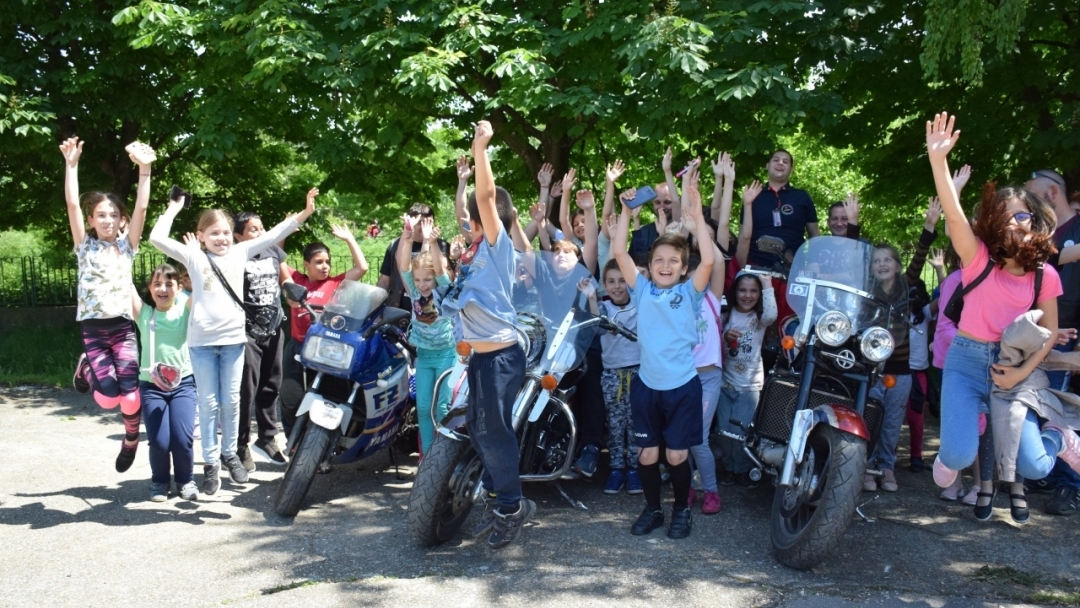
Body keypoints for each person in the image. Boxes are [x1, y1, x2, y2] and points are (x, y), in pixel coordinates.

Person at [926, 112, 1078, 524]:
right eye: (1006, 215)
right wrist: (938, 162)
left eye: (1023, 215)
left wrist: (1020, 374)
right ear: (993, 223)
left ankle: (1059, 435)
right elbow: (955, 217)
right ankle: (953, 460)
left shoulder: (1044, 275)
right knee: (956, 454)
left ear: (1035, 223)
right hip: (966, 362)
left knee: (1036, 467)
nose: (1015, 221)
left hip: (1017, 370)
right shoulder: (977, 261)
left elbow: (1047, 334)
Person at [150, 189, 314, 495]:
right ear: (201, 236)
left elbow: (278, 232)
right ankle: (211, 463)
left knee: (232, 401)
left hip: (233, 341)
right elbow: (157, 237)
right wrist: (173, 208)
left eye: (226, 232)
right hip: (201, 344)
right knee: (209, 404)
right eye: (214, 233)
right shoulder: (194, 257)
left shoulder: (240, 253)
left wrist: (304, 213)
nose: (222, 238)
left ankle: (230, 454)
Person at [439, 120, 533, 549]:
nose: (465, 220)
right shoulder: (473, 252)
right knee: (478, 429)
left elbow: (485, 196)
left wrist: (481, 150)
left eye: (472, 217)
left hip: (500, 357)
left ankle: (512, 506)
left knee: (494, 432)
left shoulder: (497, 247)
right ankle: (499, 491)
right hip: (479, 358)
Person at [611, 162, 715, 539]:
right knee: (648, 455)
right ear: (650, 266)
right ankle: (653, 510)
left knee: (676, 456)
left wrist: (697, 214)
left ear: (683, 269)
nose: (666, 265)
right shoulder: (641, 290)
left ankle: (681, 511)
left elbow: (709, 259)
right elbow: (620, 252)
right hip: (647, 387)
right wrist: (626, 211)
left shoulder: (690, 292)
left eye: (673, 261)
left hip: (683, 387)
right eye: (659, 260)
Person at [61, 136, 153, 472]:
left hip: (122, 327)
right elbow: (72, 205)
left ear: (122, 220)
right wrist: (72, 166)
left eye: (114, 215)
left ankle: (131, 440)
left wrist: (145, 170)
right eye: (101, 215)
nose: (108, 219)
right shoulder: (84, 246)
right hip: (93, 330)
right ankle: (86, 365)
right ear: (91, 219)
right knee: (106, 397)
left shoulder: (128, 246)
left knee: (130, 395)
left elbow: (142, 208)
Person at [279, 221, 370, 439]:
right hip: (298, 347)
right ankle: (292, 442)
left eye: (327, 262)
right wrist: (285, 230)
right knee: (290, 397)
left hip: (326, 350)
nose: (325, 266)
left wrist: (349, 239)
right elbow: (278, 260)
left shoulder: (336, 283)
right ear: (306, 264)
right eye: (318, 262)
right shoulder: (297, 281)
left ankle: (322, 442)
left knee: (327, 398)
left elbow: (363, 268)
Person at [1024, 168, 1080, 516]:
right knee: (1038, 406)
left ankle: (1069, 486)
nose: (1027, 205)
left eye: (1032, 196)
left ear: (1052, 194)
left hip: (1069, 337)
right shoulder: (1042, 235)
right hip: (1036, 335)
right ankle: (1043, 472)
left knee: (1062, 409)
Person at [132, 264, 197, 502]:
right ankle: (159, 482)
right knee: (159, 441)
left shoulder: (184, 311)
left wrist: (194, 257)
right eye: (157, 284)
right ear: (149, 288)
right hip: (151, 387)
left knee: (182, 438)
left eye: (169, 284)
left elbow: (202, 281)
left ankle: (186, 480)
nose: (163, 289)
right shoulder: (144, 314)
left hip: (183, 385)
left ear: (180, 288)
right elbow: (122, 283)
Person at [232, 211, 291, 470]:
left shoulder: (274, 252)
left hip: (274, 328)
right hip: (246, 332)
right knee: (247, 388)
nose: (261, 232)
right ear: (238, 236)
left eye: (262, 226)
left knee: (271, 385)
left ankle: (267, 438)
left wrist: (297, 295)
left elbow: (285, 279)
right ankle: (239, 445)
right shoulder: (235, 257)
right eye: (253, 229)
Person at [394, 215, 455, 455]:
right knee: (422, 408)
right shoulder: (414, 287)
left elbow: (439, 268)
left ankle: (444, 456)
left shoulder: (442, 287)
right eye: (418, 280)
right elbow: (403, 267)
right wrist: (408, 239)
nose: (422, 284)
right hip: (425, 355)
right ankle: (428, 456)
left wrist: (432, 242)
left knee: (442, 408)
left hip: (446, 354)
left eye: (426, 279)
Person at [584, 258, 641, 495]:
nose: (617, 287)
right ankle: (617, 468)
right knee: (616, 425)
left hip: (638, 373)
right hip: (612, 375)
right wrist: (590, 297)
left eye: (622, 281)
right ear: (604, 285)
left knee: (636, 424)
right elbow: (597, 326)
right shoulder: (604, 308)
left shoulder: (640, 304)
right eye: (611, 282)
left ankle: (636, 469)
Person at [717, 272, 778, 486]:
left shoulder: (760, 318)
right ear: (734, 291)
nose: (747, 295)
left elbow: (772, 314)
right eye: (742, 290)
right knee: (724, 430)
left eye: (753, 291)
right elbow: (714, 339)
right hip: (725, 382)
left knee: (740, 431)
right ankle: (727, 466)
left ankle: (741, 469)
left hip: (749, 384)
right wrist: (725, 337)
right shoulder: (726, 313)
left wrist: (767, 284)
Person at [743, 149, 819, 268]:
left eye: (785, 161)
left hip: (793, 269)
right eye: (776, 160)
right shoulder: (753, 196)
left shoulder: (802, 197)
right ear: (767, 166)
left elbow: (814, 237)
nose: (780, 163)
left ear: (791, 170)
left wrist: (814, 265)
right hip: (755, 268)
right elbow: (743, 235)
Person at [377, 203, 451, 312]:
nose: (425, 227)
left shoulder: (441, 246)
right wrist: (376, 310)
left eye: (429, 222)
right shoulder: (395, 245)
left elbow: (445, 275)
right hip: (398, 310)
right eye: (420, 222)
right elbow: (384, 281)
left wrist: (430, 242)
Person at [628, 148, 681, 264]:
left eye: (667, 202)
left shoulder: (685, 229)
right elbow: (634, 262)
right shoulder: (644, 232)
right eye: (657, 202)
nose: (661, 206)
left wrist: (667, 170)